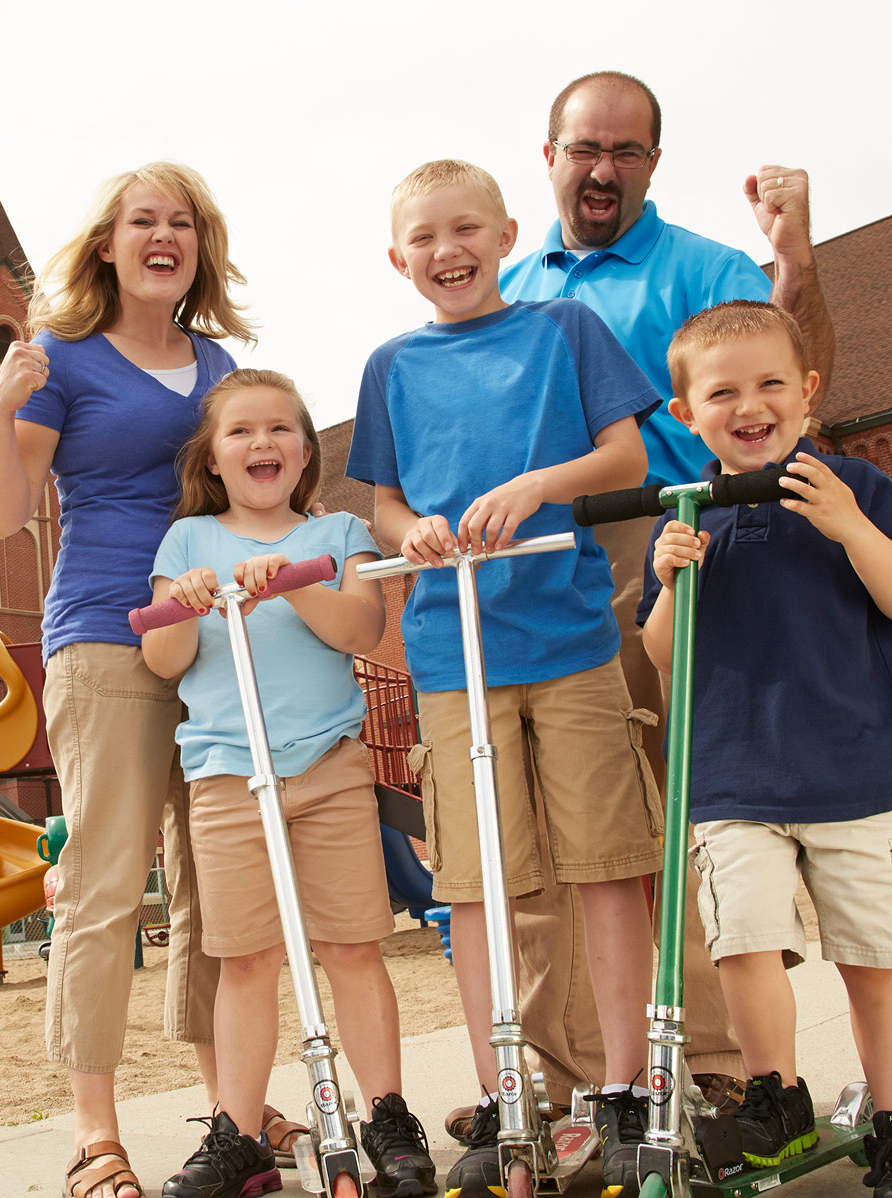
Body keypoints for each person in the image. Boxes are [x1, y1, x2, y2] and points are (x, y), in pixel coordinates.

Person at [489, 69, 838, 1122]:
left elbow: (805, 379)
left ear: (652, 162)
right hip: (542, 565)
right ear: (548, 156)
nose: (603, 169)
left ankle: (722, 1073)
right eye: (584, 148)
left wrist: (798, 264)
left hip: (673, 541)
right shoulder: (505, 292)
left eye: (626, 151)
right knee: (556, 838)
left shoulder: (703, 268)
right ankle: (578, 1085)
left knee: (682, 814)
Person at [346, 159, 662, 1198]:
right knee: (478, 886)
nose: (448, 250)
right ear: (400, 259)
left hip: (567, 642)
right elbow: (384, 508)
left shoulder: (563, 330)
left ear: (506, 232)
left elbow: (624, 456)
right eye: (425, 238)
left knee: (606, 866)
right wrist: (417, 529)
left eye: (467, 228)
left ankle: (622, 1089)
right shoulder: (391, 365)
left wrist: (536, 485)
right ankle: (506, 1094)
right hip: (453, 658)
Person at [0, 162, 269, 1198]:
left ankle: (226, 1110)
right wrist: (1, 413)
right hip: (104, 635)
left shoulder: (218, 360)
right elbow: (3, 513)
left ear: (199, 243)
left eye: (181, 222)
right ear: (107, 242)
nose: (163, 235)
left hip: (215, 639)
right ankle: (95, 1134)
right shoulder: (63, 357)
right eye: (143, 220)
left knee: (212, 888)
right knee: (104, 890)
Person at [639, 301, 892, 1197]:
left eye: (771, 382)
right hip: (731, 779)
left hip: (852, 772)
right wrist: (667, 583)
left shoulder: (856, 486)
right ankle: (774, 1094)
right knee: (744, 943)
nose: (750, 404)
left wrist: (851, 526)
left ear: (806, 392)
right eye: (722, 391)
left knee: (872, 960)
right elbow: (663, 654)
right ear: (685, 413)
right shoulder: (690, 513)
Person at [142, 368, 437, 1198]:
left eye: (279, 428)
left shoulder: (338, 532)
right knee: (244, 959)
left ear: (305, 452)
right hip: (228, 777)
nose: (261, 442)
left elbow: (361, 628)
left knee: (350, 944)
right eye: (240, 431)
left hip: (326, 768)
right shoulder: (188, 544)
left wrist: (292, 582)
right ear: (212, 456)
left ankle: (385, 1113)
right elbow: (161, 660)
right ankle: (237, 1130)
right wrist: (189, 609)